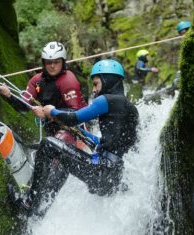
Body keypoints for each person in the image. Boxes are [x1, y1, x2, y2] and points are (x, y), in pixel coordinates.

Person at [17, 59, 139, 216]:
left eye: (95, 84)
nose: (94, 90)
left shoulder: (106, 100)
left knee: (49, 144)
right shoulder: (130, 108)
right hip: (113, 178)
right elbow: (108, 144)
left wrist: (51, 111)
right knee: (63, 159)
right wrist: (78, 132)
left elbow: (73, 117)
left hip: (101, 171)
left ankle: (30, 202)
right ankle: (42, 210)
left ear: (107, 80)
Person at [0, 41, 88, 209]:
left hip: (74, 131)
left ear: (63, 62)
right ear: (43, 63)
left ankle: (35, 204)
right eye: (49, 62)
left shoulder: (68, 80)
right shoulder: (36, 81)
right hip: (53, 132)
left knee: (54, 162)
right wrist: (9, 96)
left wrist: (50, 112)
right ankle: (37, 202)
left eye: (56, 62)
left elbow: (75, 115)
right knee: (47, 157)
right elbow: (24, 106)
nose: (53, 66)